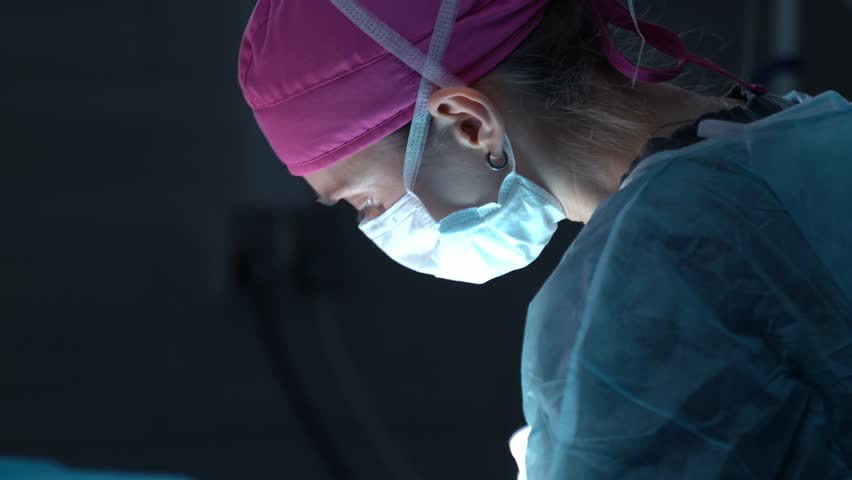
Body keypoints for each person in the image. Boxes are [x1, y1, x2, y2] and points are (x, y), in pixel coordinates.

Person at [238, 0, 852, 478]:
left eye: (363, 201)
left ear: (469, 123)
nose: (373, 224)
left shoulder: (657, 268)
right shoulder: (808, 134)